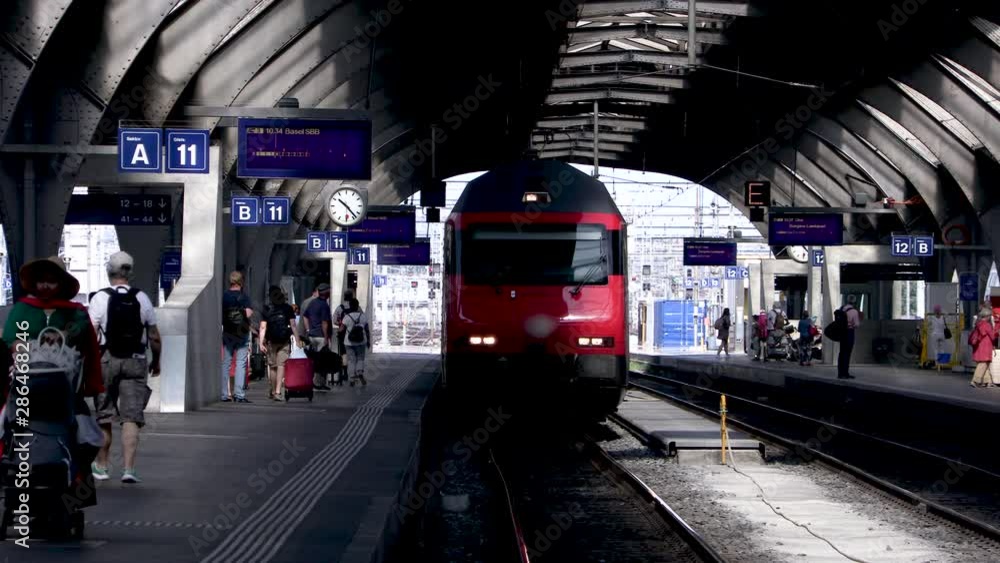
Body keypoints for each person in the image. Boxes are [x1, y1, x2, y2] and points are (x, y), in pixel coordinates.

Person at [3, 256, 104, 499]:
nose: (45, 287)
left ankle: (75, 488)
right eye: (41, 281)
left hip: (66, 389)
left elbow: (89, 349)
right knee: (5, 423)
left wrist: (92, 385)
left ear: (60, 283)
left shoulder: (76, 313)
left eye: (51, 281)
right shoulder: (22, 308)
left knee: (86, 434)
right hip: (26, 385)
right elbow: (10, 340)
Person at [88, 251, 161, 483]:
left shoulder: (99, 298)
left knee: (105, 415)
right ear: (130, 272)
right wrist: (156, 360)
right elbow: (154, 336)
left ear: (109, 272)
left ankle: (102, 465)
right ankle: (129, 469)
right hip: (136, 360)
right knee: (131, 417)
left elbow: (91, 334)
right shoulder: (142, 298)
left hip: (107, 360)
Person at [260, 286, 297, 401]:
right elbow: (293, 325)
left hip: (271, 341)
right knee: (281, 366)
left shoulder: (267, 309)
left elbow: (262, 327)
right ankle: (277, 391)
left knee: (272, 366)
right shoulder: (288, 308)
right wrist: (298, 339)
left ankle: (272, 390)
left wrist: (261, 342)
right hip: (284, 341)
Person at [222, 271, 253, 403]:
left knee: (226, 363)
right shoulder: (244, 297)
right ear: (241, 282)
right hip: (242, 333)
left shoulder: (224, 296)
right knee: (240, 363)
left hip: (228, 332)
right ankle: (239, 394)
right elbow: (249, 313)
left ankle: (223, 394)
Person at [303, 283, 333, 390]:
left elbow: (305, 316)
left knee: (315, 359)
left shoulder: (312, 303)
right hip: (321, 336)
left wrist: (308, 329)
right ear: (326, 293)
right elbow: (325, 323)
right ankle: (319, 383)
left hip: (312, 336)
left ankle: (316, 382)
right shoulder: (324, 305)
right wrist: (326, 337)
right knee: (323, 360)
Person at [342, 298, 371, 386]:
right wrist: (368, 340)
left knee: (351, 360)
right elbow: (367, 330)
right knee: (360, 358)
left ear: (350, 306)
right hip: (361, 341)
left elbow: (341, 329)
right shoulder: (363, 316)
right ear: (358, 306)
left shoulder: (347, 317)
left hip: (349, 342)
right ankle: (359, 372)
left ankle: (351, 378)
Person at [969, 306, 998, 388]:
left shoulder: (978, 324)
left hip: (978, 347)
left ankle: (988, 382)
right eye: (989, 316)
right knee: (983, 364)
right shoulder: (987, 325)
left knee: (985, 364)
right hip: (985, 347)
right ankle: (975, 380)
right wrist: (997, 331)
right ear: (987, 316)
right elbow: (992, 336)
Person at [333, 290, 355, 385]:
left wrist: (341, 324)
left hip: (342, 333)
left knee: (343, 353)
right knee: (353, 353)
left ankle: (345, 372)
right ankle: (353, 373)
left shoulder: (340, 308)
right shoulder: (356, 307)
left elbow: (334, 320)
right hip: (354, 334)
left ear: (344, 297)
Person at [839, 297, 861, 379]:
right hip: (849, 332)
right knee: (847, 353)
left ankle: (840, 373)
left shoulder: (841, 309)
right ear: (854, 302)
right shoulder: (854, 312)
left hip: (841, 333)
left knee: (841, 353)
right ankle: (845, 373)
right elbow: (857, 324)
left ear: (847, 301)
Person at [928, 305, 947, 369]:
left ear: (934, 311)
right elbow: (944, 326)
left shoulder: (932, 317)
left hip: (934, 335)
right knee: (942, 349)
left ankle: (937, 364)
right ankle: (942, 364)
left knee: (935, 349)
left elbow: (929, 324)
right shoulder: (943, 317)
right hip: (942, 335)